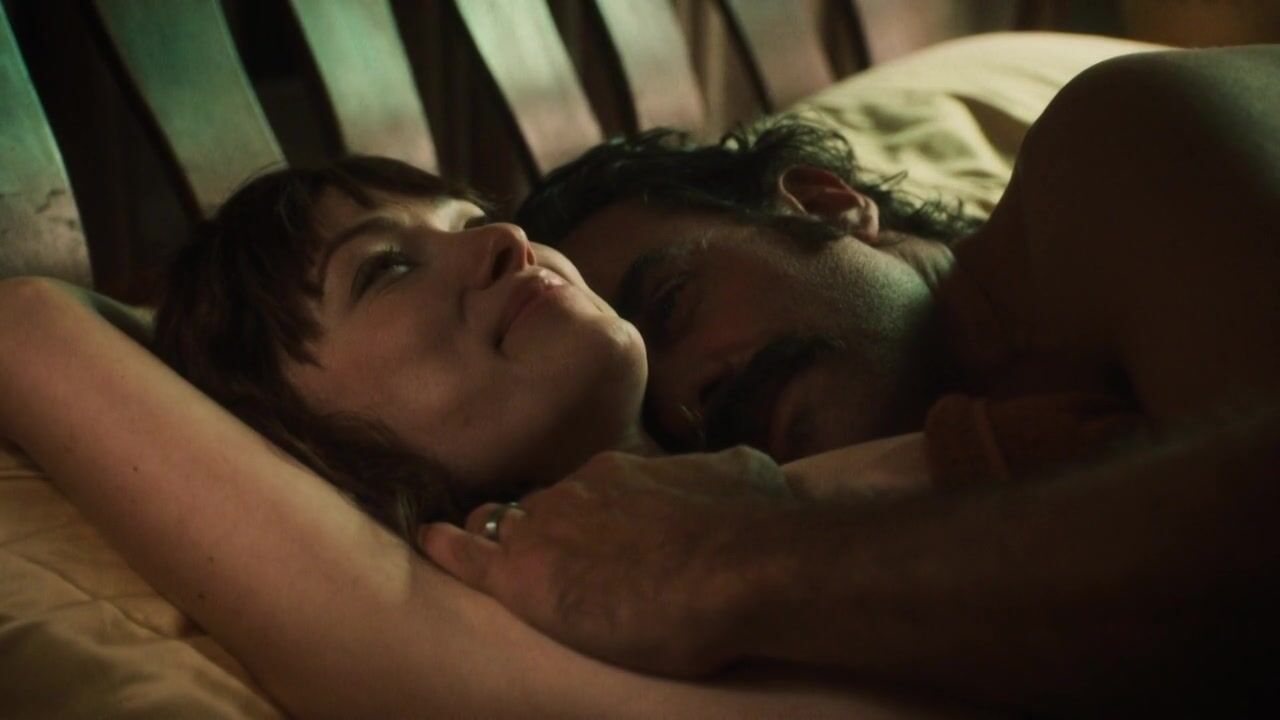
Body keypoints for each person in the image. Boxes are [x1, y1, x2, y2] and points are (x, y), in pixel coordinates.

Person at [420, 45, 1280, 715]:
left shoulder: (1114, 143)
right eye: (659, 426)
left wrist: (733, 563)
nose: (693, 406)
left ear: (824, 203)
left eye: (673, 305)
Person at [0, 158, 953, 717]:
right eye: (385, 270)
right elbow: (26, 324)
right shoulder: (459, 628)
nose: (504, 243)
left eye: (475, 220)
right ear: (297, 454)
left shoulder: (826, 469)